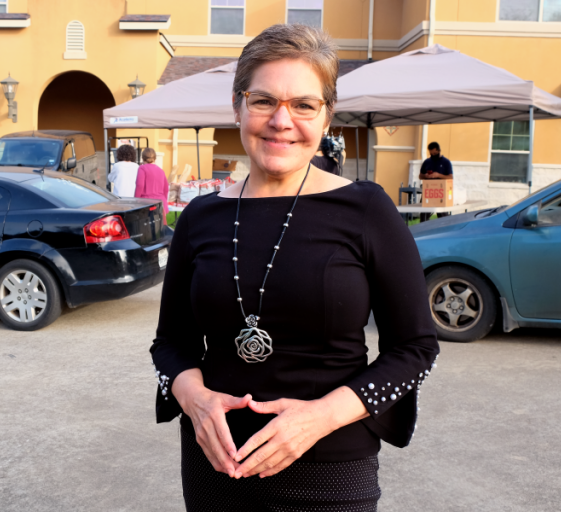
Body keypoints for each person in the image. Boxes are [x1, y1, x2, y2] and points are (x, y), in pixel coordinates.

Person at [150, 24, 440, 512]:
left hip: (329, 471)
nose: (281, 120)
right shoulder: (200, 218)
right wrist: (193, 399)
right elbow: (170, 344)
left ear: (327, 118)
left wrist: (320, 417)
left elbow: (415, 348)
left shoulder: (367, 210)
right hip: (216, 465)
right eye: (263, 101)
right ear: (238, 107)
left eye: (304, 105)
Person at [418, 142, 453, 220]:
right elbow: (420, 176)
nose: (433, 155)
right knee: (424, 214)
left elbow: (450, 177)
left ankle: (443, 228)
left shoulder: (446, 162)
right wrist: (425, 176)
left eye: (434, 153)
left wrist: (438, 175)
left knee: (442, 215)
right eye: (431, 153)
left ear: (439, 150)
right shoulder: (427, 162)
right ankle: (423, 228)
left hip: (441, 192)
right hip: (428, 191)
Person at [136, 147, 170, 219]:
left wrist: (136, 200)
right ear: (155, 158)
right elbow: (166, 189)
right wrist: (164, 201)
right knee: (161, 228)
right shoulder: (161, 170)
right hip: (160, 203)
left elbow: (140, 185)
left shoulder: (142, 168)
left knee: (145, 228)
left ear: (143, 158)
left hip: (146, 203)